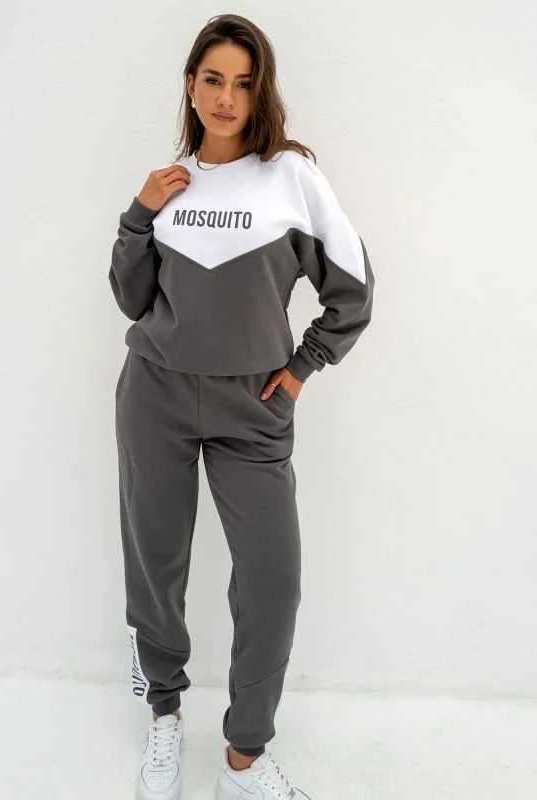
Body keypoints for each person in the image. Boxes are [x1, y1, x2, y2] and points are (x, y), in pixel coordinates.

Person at [108, 13, 375, 800]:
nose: (227, 97)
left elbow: (352, 292)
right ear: (191, 87)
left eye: (245, 83)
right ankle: (164, 712)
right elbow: (132, 300)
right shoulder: (170, 183)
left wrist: (300, 369)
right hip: (155, 393)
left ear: (262, 94)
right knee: (156, 560)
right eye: (214, 79)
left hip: (252, 408)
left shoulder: (291, 177)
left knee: (271, 582)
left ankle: (244, 757)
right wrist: (138, 215)